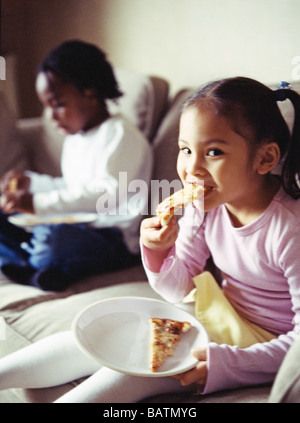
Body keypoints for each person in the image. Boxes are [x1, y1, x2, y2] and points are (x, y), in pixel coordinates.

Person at [0, 76, 299, 403]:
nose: (192, 169)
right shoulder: (205, 206)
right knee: (102, 335)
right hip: (216, 316)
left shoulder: (289, 229)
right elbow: (179, 289)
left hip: (263, 345)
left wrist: (227, 363)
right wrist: (158, 251)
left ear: (265, 159)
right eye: (186, 150)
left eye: (213, 151)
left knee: (136, 364)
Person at [0, 40, 153, 290]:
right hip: (77, 224)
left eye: (58, 105)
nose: (50, 116)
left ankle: (32, 263)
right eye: (47, 107)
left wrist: (36, 204)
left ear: (90, 93)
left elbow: (105, 194)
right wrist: (32, 184)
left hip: (113, 238)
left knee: (54, 238)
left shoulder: (121, 136)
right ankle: (38, 265)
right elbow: (72, 187)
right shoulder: (76, 137)